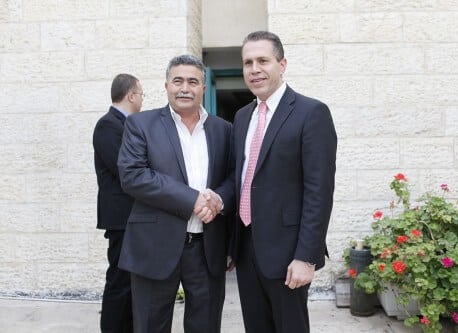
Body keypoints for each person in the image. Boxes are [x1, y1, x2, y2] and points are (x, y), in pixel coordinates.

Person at [117, 54, 233, 333]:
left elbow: (234, 178)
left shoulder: (224, 130)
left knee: (206, 325)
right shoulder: (140, 125)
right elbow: (133, 176)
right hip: (154, 246)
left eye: (193, 81)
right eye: (177, 80)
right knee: (150, 326)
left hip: (208, 248)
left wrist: (218, 199)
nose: (185, 88)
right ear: (166, 86)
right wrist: (192, 198)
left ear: (203, 88)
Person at [230, 31, 337, 333]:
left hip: (289, 252)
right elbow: (240, 180)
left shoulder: (311, 113)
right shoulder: (241, 117)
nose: (254, 69)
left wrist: (306, 256)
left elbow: (319, 191)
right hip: (247, 248)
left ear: (282, 64)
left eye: (263, 60)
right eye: (248, 62)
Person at [93, 73, 144, 332]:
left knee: (130, 280)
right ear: (131, 95)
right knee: (119, 280)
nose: (142, 100)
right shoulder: (108, 125)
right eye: (141, 94)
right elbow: (123, 168)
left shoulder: (127, 124)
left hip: (132, 217)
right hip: (120, 217)